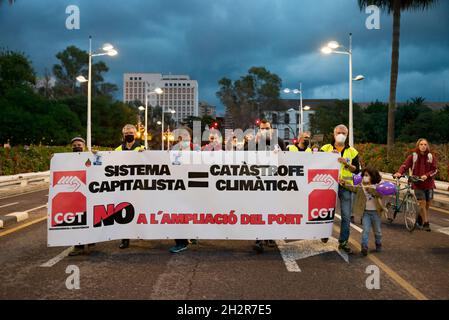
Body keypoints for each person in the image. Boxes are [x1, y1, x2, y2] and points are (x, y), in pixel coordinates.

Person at [320, 124, 361, 254]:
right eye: (339, 132)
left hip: (346, 187)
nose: (341, 135)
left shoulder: (352, 152)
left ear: (347, 135)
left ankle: (343, 242)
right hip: (328, 186)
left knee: (346, 216)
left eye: (344, 133)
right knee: (325, 212)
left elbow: (357, 170)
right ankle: (324, 233)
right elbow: (315, 163)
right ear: (334, 134)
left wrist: (346, 163)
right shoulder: (325, 148)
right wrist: (327, 158)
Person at [250, 119, 286, 253]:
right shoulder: (255, 142)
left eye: (267, 128)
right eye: (262, 128)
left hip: (274, 182)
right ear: (259, 130)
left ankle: (270, 236)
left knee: (272, 211)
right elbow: (245, 157)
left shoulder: (279, 142)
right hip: (258, 182)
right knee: (259, 210)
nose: (265, 131)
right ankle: (259, 239)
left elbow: (286, 159)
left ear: (272, 129)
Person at [393, 138, 438, 232]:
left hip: (429, 184)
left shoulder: (431, 156)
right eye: (421, 144)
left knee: (427, 205)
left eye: (425, 144)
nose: (423, 146)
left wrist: (427, 175)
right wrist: (399, 173)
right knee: (422, 203)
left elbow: (435, 170)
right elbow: (405, 165)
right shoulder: (413, 156)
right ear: (418, 146)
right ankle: (426, 223)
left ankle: (419, 218)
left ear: (427, 146)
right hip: (417, 184)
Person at [342, 167, 386, 256]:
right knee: (365, 230)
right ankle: (364, 246)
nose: (364, 177)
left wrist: (369, 189)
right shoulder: (361, 186)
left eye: (367, 175)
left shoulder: (377, 186)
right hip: (366, 213)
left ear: (372, 177)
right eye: (364, 175)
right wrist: (344, 183)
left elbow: (380, 195)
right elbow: (352, 188)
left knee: (377, 231)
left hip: (376, 213)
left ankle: (378, 242)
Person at [170, 127, 199, 253]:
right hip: (178, 188)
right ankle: (181, 242)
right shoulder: (173, 150)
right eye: (180, 136)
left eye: (185, 135)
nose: (182, 138)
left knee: (192, 212)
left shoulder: (197, 150)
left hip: (194, 187)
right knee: (178, 214)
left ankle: (190, 235)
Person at [115, 124, 145, 249]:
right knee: (125, 212)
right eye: (126, 133)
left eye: (131, 133)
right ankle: (125, 239)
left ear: (135, 134)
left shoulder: (142, 148)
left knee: (140, 210)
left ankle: (141, 232)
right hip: (123, 185)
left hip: (138, 186)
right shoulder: (117, 150)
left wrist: (145, 154)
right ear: (123, 135)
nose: (129, 135)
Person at [69, 137, 96, 256]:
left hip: (89, 194)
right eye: (74, 145)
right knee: (77, 220)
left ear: (84, 146)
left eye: (79, 145)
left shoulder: (90, 157)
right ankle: (78, 246)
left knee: (90, 218)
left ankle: (91, 243)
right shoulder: (66, 159)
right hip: (75, 195)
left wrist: (97, 155)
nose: (77, 147)